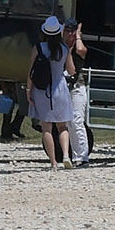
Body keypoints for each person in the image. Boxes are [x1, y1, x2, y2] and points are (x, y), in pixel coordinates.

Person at [28, 16, 76, 169]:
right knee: (62, 127)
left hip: (43, 90)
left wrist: (29, 90)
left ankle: (54, 162)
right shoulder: (64, 49)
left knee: (46, 128)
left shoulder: (38, 47)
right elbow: (71, 70)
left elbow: (31, 72)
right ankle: (66, 155)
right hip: (60, 88)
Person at [65, 20, 94, 168]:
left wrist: (77, 37)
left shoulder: (77, 47)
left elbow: (82, 51)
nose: (69, 34)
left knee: (77, 121)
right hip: (65, 88)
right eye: (67, 31)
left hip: (77, 87)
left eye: (72, 31)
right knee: (69, 123)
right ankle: (76, 156)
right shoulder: (61, 46)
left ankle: (83, 156)